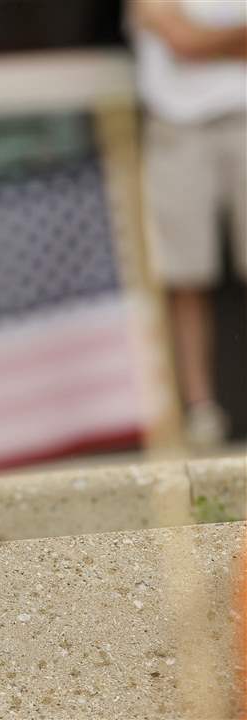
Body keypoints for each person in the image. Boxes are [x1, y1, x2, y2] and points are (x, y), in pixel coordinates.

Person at [131, 0, 247, 448]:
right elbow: (181, 40)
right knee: (183, 274)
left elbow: (192, 38)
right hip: (176, 124)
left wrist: (204, 39)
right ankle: (199, 413)